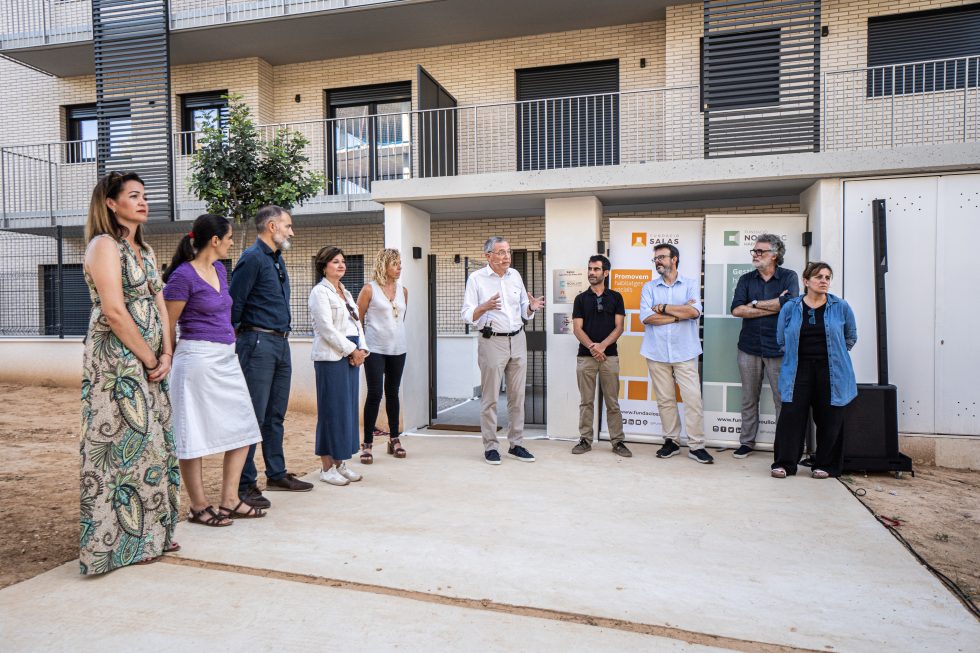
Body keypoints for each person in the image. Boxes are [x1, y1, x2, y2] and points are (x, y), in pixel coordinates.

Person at [80, 171, 180, 573]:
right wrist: (149, 358)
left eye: (144, 196)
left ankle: (153, 534)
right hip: (117, 364)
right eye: (133, 196)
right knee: (123, 449)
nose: (143, 202)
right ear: (111, 203)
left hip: (153, 361)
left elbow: (160, 305)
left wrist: (167, 352)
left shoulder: (147, 250)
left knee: (154, 446)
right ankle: (116, 546)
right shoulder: (103, 246)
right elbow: (115, 312)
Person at [163, 214, 265, 525]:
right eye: (230, 237)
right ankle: (198, 506)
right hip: (195, 359)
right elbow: (167, 324)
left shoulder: (220, 269)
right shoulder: (182, 276)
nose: (233, 243)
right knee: (191, 434)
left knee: (244, 427)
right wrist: (167, 357)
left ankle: (230, 500)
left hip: (225, 358)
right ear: (215, 240)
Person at [229, 205, 313, 509]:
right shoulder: (251, 259)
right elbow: (234, 305)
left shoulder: (277, 259)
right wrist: (242, 341)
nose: (291, 232)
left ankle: (276, 474)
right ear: (272, 227)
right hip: (257, 342)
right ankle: (244, 484)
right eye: (288, 226)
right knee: (253, 415)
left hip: (280, 342)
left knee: (275, 414)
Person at [461, 236, 545, 465]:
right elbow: (467, 314)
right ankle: (490, 447)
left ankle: (516, 444)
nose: (506, 256)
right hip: (491, 342)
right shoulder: (476, 279)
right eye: (500, 252)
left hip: (518, 339)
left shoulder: (515, 276)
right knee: (490, 399)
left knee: (518, 397)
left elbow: (522, 312)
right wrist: (483, 307)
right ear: (488, 255)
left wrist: (531, 307)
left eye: (507, 251)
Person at [771, 262, 857, 479]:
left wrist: (832, 355)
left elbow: (850, 337)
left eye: (827, 277)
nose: (824, 281)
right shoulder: (791, 307)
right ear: (806, 281)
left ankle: (826, 465)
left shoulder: (841, 306)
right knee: (791, 415)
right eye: (819, 276)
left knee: (830, 416)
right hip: (798, 368)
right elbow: (781, 338)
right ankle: (785, 463)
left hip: (832, 370)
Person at [639, 243, 713, 464]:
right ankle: (671, 440)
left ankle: (696, 445)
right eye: (656, 259)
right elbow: (647, 318)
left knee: (693, 400)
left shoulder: (690, 285)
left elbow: (694, 311)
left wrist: (662, 308)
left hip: (685, 352)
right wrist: (679, 314)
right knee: (665, 400)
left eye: (662, 257)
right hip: (656, 352)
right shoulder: (649, 288)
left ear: (674, 259)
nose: (658, 262)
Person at [729, 234, 799, 458]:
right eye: (755, 251)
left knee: (782, 399)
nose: (756, 255)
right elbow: (737, 310)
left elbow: (790, 305)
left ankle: (783, 445)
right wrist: (774, 305)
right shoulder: (746, 279)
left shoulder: (789, 277)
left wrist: (756, 304)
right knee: (749, 398)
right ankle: (746, 442)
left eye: (761, 251)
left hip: (779, 348)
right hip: (748, 347)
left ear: (775, 255)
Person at [309, 246, 370, 486]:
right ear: (324, 266)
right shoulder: (319, 292)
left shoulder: (345, 292)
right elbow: (326, 329)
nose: (341, 265)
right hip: (332, 357)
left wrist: (363, 350)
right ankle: (326, 468)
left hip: (352, 355)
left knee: (347, 411)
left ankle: (340, 462)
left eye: (343, 261)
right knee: (331, 412)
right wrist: (351, 350)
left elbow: (357, 324)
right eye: (335, 262)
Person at [571, 254, 631, 457]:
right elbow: (577, 329)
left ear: (605, 273)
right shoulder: (580, 299)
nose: (591, 273)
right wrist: (592, 347)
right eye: (589, 269)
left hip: (610, 357)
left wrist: (603, 346)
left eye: (596, 269)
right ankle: (585, 440)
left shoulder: (616, 297)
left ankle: (618, 442)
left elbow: (619, 327)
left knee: (612, 402)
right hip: (585, 357)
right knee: (586, 402)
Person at [356, 248, 408, 463]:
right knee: (375, 394)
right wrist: (360, 346)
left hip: (398, 349)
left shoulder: (403, 291)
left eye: (400, 263)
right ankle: (367, 443)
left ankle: (394, 439)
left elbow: (400, 320)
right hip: (375, 349)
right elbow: (357, 320)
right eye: (395, 263)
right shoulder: (369, 290)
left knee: (393, 393)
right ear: (384, 265)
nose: (399, 267)